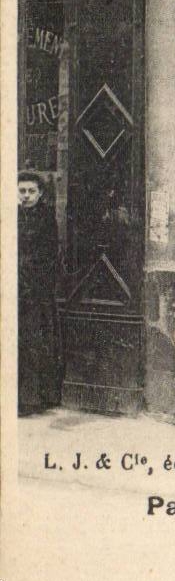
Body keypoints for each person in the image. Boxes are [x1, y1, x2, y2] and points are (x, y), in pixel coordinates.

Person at [18, 171, 63, 415]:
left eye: (31, 191)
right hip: (14, 289)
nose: (26, 196)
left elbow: (49, 256)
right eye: (22, 191)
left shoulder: (46, 219)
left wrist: (33, 282)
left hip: (36, 292)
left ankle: (32, 399)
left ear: (40, 193)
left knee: (34, 343)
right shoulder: (12, 216)